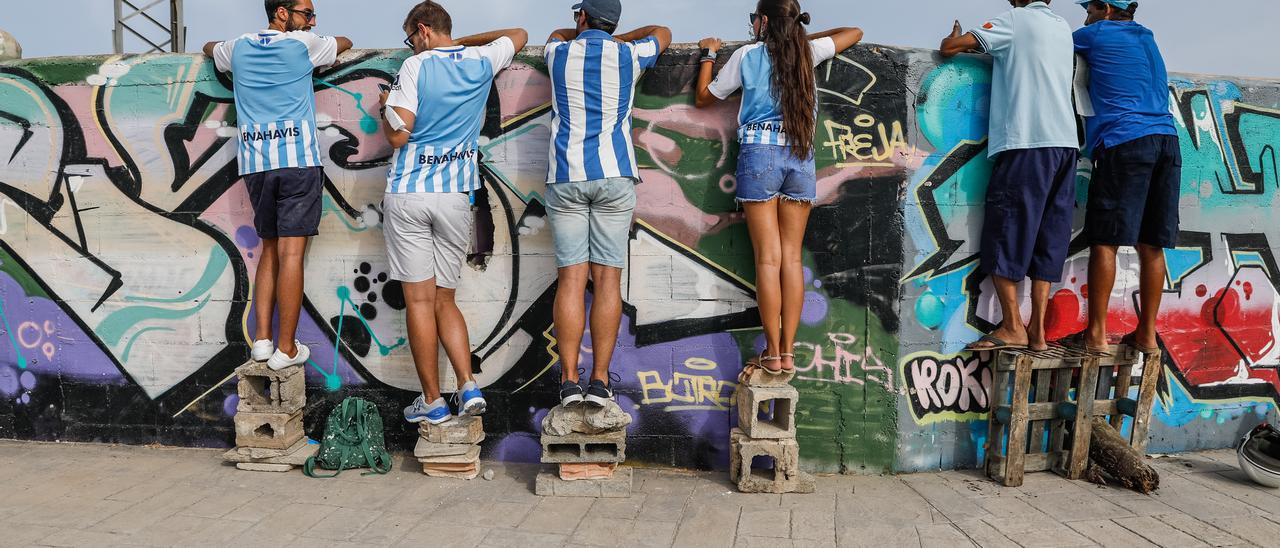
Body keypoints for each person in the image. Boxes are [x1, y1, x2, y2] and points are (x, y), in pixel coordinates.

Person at [379, 1, 528, 424]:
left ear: (423, 31)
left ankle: (432, 400)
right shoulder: (483, 60)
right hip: (456, 197)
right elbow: (518, 34)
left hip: (410, 194)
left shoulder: (415, 68)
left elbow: (399, 135)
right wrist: (459, 44)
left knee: (419, 303)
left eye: (411, 39)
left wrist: (385, 108)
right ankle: (467, 384)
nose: (409, 48)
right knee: (447, 300)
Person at [694, 1, 862, 374]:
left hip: (760, 154)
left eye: (755, 19)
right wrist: (796, 38)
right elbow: (854, 33)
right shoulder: (808, 52)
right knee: (791, 258)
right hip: (801, 156)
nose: (752, 24)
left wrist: (707, 54)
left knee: (767, 260)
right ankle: (787, 352)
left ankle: (771, 352)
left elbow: (705, 97)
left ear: (764, 21)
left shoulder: (746, 55)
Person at [204, 0, 352, 370]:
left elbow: (209, 48)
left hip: (256, 165)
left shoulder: (238, 47)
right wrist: (314, 36)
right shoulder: (303, 45)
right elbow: (345, 42)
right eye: (306, 13)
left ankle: (263, 342)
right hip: (298, 161)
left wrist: (217, 47)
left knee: (269, 252)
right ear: (281, 13)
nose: (312, 21)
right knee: (291, 255)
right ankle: (287, 348)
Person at [544, 0, 671, 407]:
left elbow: (555, 35)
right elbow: (662, 32)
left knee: (570, 280)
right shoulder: (628, 54)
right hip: (614, 175)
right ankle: (599, 381)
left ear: (581, 17)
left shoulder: (557, 53)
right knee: (608, 281)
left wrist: (581, 32)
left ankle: (567, 381)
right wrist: (618, 37)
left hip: (566, 176)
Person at [940, 0, 1078, 352]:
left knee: (1008, 230)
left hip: (1026, 142)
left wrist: (955, 35)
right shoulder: (1062, 27)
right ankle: (1038, 333)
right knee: (1050, 237)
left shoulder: (1014, 21)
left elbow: (951, 49)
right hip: (1065, 145)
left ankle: (1013, 326)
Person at [1070, 0, 1179, 354]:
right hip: (1167, 141)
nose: (1084, 14)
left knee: (1105, 240)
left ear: (1104, 8)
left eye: (1088, 7)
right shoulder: (1148, 37)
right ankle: (1146, 334)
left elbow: (1047, 44)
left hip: (1126, 140)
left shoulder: (1094, 33)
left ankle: (1096, 336)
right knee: (1152, 244)